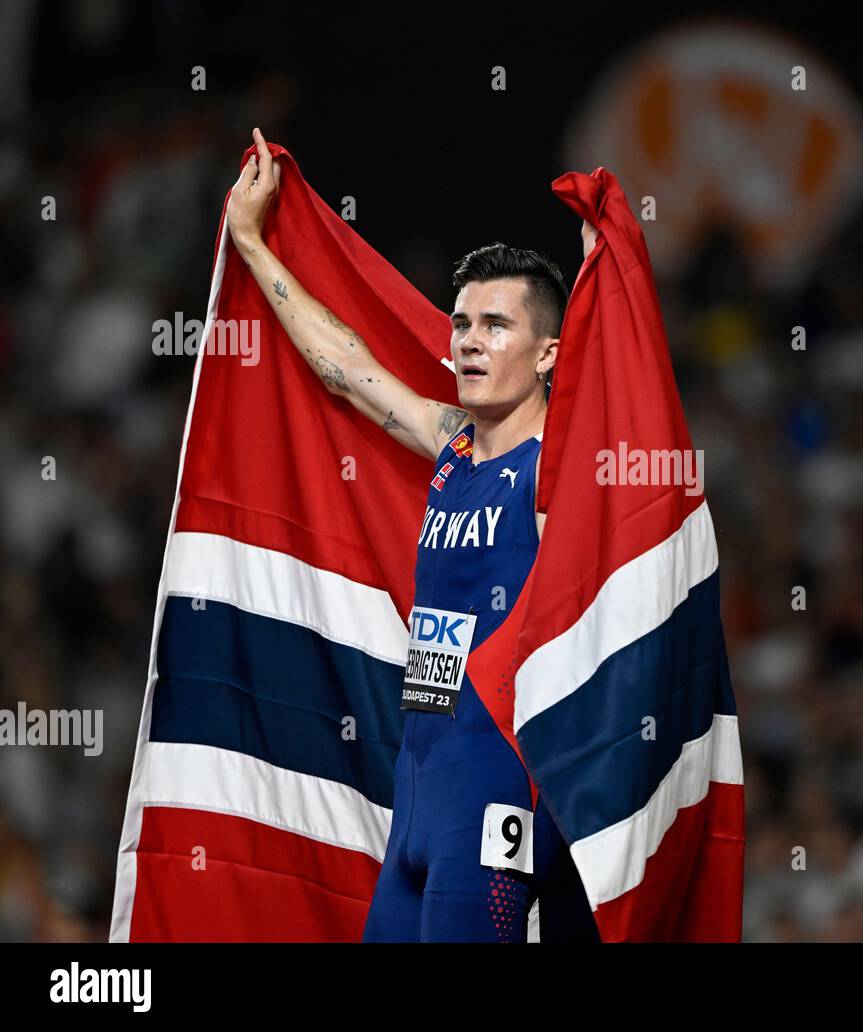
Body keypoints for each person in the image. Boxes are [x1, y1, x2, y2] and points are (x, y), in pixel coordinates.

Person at [226, 127, 599, 941]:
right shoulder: (450, 443)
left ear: (548, 355)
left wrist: (609, 276)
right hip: (420, 779)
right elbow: (344, 367)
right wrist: (251, 243)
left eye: (496, 326)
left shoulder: (558, 472)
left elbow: (624, 391)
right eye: (461, 323)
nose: (467, 340)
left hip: (501, 782)